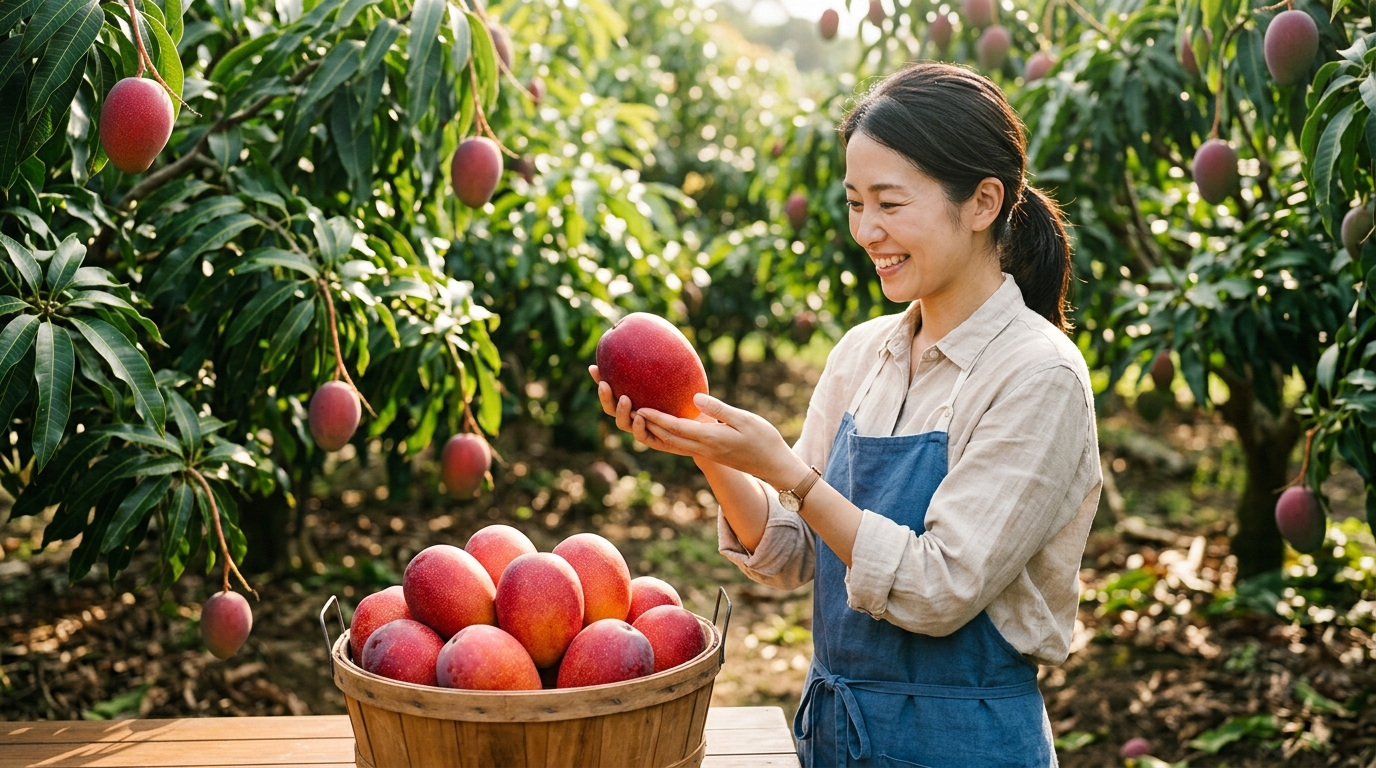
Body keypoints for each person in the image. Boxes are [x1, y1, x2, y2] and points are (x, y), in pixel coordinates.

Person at [590, 62, 1100, 767]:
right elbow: (792, 552)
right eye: (856, 203)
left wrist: (789, 473)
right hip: (835, 737)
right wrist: (709, 449)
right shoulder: (866, 354)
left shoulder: (1037, 374)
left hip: (964, 744)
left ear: (983, 202)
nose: (866, 231)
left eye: (890, 204)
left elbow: (939, 588)